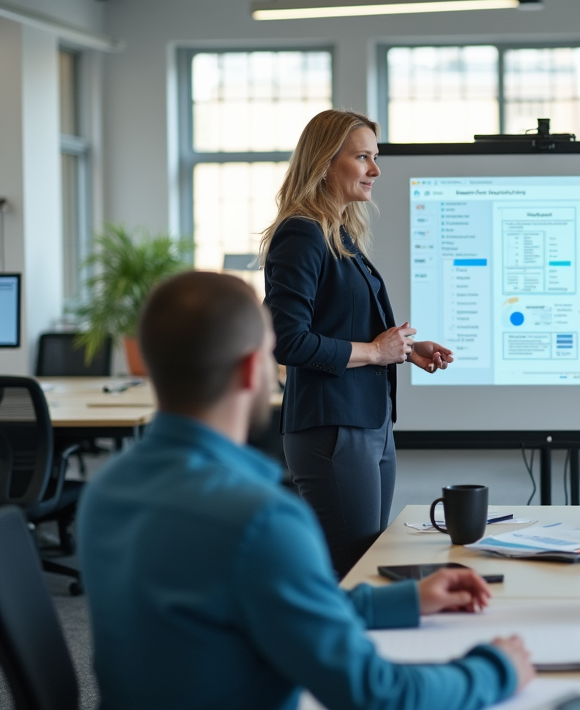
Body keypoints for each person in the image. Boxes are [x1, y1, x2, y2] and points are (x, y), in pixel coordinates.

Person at [77, 271, 533, 710]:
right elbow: (376, 694)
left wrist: (409, 598)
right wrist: (496, 668)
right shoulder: (262, 520)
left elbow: (277, 602)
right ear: (253, 369)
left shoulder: (105, 493)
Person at [260, 110, 453, 577]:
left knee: (369, 559)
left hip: (368, 423)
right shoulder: (301, 234)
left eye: (375, 157)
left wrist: (404, 348)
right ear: (326, 162)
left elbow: (343, 325)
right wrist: (375, 352)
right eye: (362, 157)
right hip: (332, 428)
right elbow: (287, 341)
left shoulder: (337, 232)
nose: (375, 169)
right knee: (354, 569)